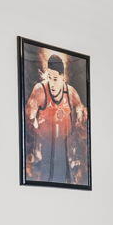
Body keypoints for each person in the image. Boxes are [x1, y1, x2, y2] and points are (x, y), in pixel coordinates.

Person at [23, 49, 88, 184]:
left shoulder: (70, 93)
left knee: (65, 179)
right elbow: (27, 118)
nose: (52, 84)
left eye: (55, 79)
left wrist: (77, 126)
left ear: (63, 77)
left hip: (64, 147)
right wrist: (35, 134)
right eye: (49, 78)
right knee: (44, 177)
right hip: (44, 147)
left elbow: (81, 111)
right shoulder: (40, 90)